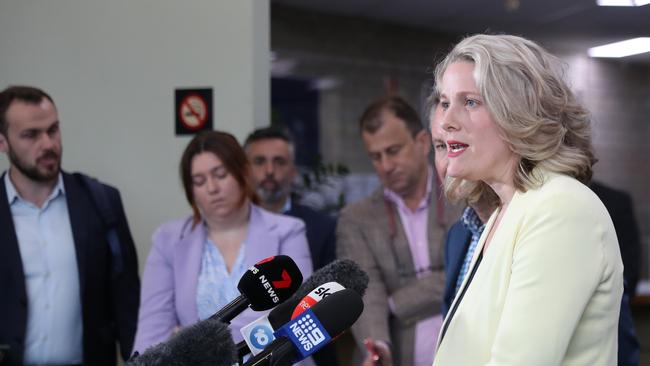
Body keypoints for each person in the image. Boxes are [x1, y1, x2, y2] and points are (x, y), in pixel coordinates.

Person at [431, 34, 624, 365]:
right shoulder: (506, 210)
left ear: (517, 111)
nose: (447, 120)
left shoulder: (561, 208)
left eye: (471, 102)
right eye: (446, 102)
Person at [132, 130, 313, 355]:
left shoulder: (289, 231)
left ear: (243, 173)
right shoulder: (168, 240)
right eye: (199, 181)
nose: (211, 188)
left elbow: (292, 315)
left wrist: (187, 340)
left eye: (220, 175)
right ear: (191, 191)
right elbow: (152, 329)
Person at [0, 86, 140, 366]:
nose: (48, 144)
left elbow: (127, 302)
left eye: (53, 130)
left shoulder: (101, 201)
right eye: (31, 135)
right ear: (3, 142)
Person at [337, 96, 446, 366]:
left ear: (422, 142)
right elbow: (365, 292)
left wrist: (396, 303)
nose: (385, 166)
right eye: (376, 156)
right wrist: (378, 348)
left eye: (393, 150)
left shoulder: (465, 197)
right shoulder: (356, 219)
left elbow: (469, 274)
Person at [244, 126, 337, 271]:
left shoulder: (322, 229)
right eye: (259, 161)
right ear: (245, 171)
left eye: (279, 162)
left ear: (294, 171)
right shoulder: (230, 226)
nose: (269, 171)